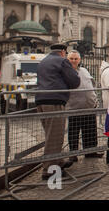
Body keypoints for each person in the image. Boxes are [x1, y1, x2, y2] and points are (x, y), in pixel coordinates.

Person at [35, 44, 80, 180]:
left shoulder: (43, 61)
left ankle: (58, 161)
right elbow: (74, 81)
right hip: (54, 100)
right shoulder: (62, 61)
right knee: (55, 135)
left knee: (51, 133)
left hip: (41, 100)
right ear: (62, 52)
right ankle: (49, 169)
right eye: (66, 54)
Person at [66, 50, 103, 162]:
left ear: (80, 60)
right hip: (74, 107)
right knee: (74, 132)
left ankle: (91, 151)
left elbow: (92, 83)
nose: (74, 60)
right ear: (67, 60)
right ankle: (73, 154)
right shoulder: (66, 71)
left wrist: (94, 99)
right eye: (71, 58)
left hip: (89, 106)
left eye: (76, 58)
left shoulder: (84, 70)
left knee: (90, 130)